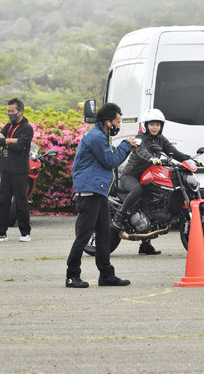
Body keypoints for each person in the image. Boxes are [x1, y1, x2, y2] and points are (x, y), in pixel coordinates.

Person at [66, 103, 136, 288]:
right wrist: (125, 144)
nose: (118, 125)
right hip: (89, 191)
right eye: (118, 121)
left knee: (105, 233)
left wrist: (126, 148)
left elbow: (110, 158)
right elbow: (110, 161)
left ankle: (106, 275)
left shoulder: (101, 134)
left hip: (98, 190)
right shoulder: (97, 137)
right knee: (84, 234)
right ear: (108, 122)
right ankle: (72, 275)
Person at [114, 108, 194, 255]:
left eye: (157, 124)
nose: (155, 127)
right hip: (131, 176)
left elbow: (173, 152)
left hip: (148, 175)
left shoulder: (161, 139)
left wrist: (189, 159)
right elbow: (141, 151)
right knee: (138, 190)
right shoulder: (140, 137)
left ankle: (145, 245)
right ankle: (119, 215)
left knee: (151, 202)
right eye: (152, 124)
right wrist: (151, 158)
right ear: (146, 125)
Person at [0, 98, 34, 243]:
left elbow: (21, 146)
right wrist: (12, 140)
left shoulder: (26, 128)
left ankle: (25, 233)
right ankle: (0, 233)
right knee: (3, 202)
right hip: (6, 170)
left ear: (20, 111)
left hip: (20, 171)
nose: (10, 113)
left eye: (12, 111)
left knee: (21, 202)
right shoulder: (8, 126)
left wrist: (6, 141)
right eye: (8, 111)